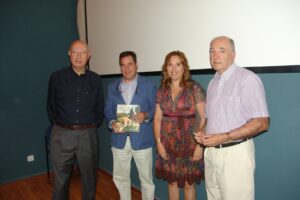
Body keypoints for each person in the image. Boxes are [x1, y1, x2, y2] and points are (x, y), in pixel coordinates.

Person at [194, 36, 269, 200]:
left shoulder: (247, 79)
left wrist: (225, 137)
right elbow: (210, 118)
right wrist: (202, 131)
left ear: (233, 55)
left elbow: (262, 123)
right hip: (212, 154)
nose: (215, 55)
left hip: (235, 154)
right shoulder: (212, 82)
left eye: (221, 51)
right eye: (212, 51)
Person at [47, 40, 104, 200]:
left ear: (89, 55)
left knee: (89, 180)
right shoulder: (57, 77)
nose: (79, 56)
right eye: (75, 52)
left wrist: (88, 127)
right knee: (60, 181)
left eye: (83, 52)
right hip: (62, 134)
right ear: (69, 54)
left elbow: (99, 109)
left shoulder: (96, 80)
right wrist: (62, 127)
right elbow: (50, 107)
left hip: (88, 135)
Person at [154, 51, 206, 200]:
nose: (174, 68)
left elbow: (204, 118)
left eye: (178, 64)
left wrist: (199, 145)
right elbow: (157, 118)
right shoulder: (162, 90)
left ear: (184, 67)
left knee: (189, 184)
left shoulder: (194, 88)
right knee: (172, 183)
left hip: (190, 145)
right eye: (170, 64)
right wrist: (158, 143)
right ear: (166, 68)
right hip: (167, 144)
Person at [104, 51, 156, 200]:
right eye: (123, 65)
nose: (126, 68)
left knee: (146, 180)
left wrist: (145, 115)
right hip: (119, 140)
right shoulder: (112, 87)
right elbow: (108, 109)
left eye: (130, 64)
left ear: (137, 65)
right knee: (120, 178)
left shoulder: (148, 85)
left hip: (142, 140)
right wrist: (112, 122)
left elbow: (155, 108)